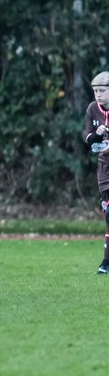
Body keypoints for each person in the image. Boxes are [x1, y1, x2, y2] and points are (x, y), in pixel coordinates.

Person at [85, 71, 109, 274]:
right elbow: (87, 135)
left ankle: (105, 263)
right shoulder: (93, 109)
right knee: (108, 215)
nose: (98, 95)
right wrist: (96, 135)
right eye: (95, 91)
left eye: (102, 90)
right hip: (104, 170)